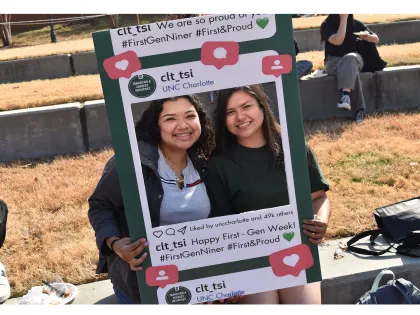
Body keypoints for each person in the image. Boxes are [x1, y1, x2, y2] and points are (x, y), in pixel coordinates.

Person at [206, 84, 331, 304]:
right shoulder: (218, 164)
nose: (240, 116)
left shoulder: (294, 148)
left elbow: (318, 196)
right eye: (230, 112)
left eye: (247, 106)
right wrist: (230, 274)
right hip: (248, 258)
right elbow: (220, 226)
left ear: (262, 107)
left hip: (294, 247)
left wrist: (320, 220)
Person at [88, 95, 216, 304]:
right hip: (144, 286)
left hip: (199, 279)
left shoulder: (207, 159)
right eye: (170, 119)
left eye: (189, 116)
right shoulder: (133, 160)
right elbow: (100, 205)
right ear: (155, 125)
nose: (183, 125)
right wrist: (116, 243)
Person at [320, 14, 380, 123]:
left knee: (350, 58)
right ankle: (359, 110)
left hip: (355, 59)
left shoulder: (356, 24)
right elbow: (338, 40)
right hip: (333, 62)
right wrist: (343, 20)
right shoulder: (326, 25)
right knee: (351, 71)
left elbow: (376, 39)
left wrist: (367, 37)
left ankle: (346, 95)